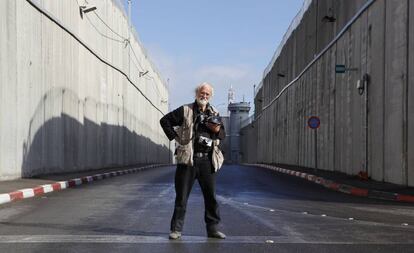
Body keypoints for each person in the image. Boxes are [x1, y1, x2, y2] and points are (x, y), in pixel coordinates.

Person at [160, 82, 226, 240]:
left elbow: (222, 135)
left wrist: (217, 131)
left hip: (207, 161)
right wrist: (177, 138)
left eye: (207, 94)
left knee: (211, 197)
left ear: (210, 96)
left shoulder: (215, 112)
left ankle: (213, 229)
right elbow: (165, 121)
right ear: (196, 94)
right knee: (181, 197)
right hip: (188, 160)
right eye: (202, 93)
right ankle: (176, 230)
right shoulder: (186, 110)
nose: (204, 96)